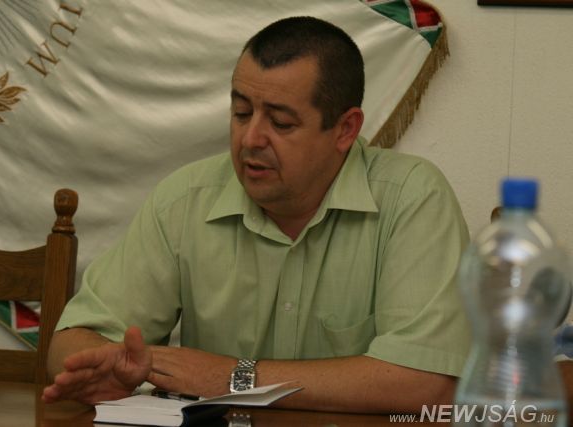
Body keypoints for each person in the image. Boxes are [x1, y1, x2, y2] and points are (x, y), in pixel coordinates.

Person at [42, 16, 470, 414]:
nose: (250, 139)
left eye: (281, 123)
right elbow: (69, 344)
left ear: (345, 129)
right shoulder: (185, 198)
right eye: (242, 113)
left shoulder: (411, 198)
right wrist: (108, 367)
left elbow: (429, 384)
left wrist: (231, 377)